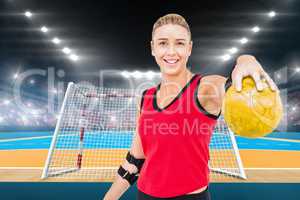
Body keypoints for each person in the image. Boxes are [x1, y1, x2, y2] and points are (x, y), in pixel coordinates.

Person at [103, 13, 277, 200]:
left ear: (189, 48)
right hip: (144, 195)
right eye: (162, 43)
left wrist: (246, 60)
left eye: (179, 43)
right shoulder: (145, 97)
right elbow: (135, 161)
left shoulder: (205, 89)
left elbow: (230, 86)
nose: (171, 51)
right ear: (153, 48)